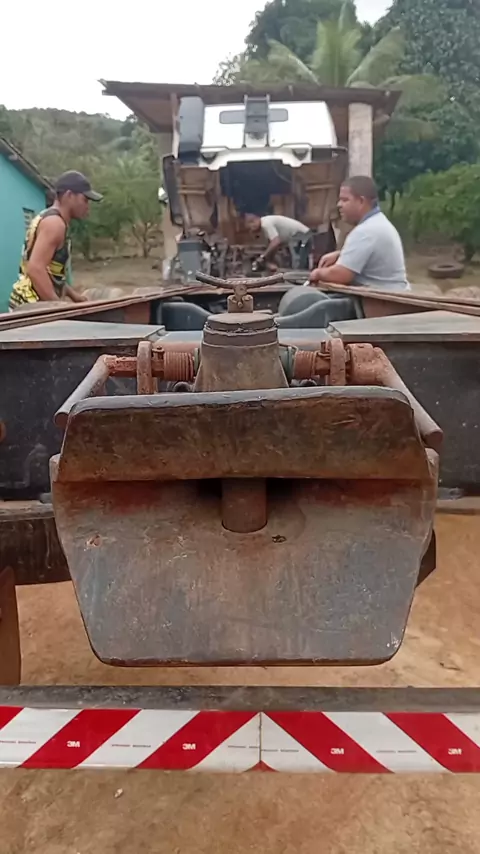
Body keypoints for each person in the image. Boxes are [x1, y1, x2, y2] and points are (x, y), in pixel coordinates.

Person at [9, 170, 103, 310]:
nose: (87, 206)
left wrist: (74, 296)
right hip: (31, 306)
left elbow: (50, 272)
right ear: (69, 195)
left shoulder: (47, 217)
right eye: (85, 200)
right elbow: (35, 269)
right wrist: (59, 307)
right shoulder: (55, 224)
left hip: (27, 301)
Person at [309, 176, 410, 291]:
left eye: (345, 200)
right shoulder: (377, 222)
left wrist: (318, 273)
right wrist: (340, 254)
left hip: (381, 296)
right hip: (392, 290)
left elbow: (341, 275)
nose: (339, 205)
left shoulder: (366, 231)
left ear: (361, 201)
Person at [244, 212, 312, 270]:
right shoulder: (265, 226)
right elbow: (273, 246)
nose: (252, 229)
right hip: (298, 237)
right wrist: (269, 261)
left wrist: (263, 257)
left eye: (252, 226)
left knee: (299, 265)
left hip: (301, 236)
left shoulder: (265, 223)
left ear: (255, 220)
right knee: (298, 263)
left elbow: (276, 242)